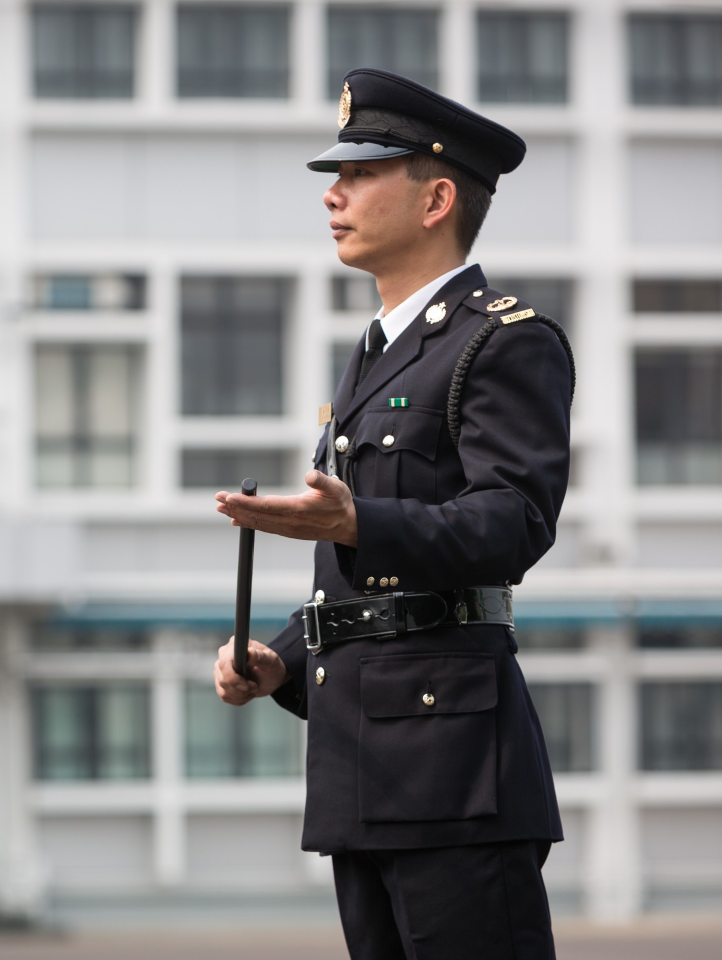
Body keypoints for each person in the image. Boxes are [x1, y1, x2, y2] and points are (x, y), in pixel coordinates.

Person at [212, 69, 572, 960]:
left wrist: (357, 523)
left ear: (436, 197)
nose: (333, 194)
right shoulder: (379, 351)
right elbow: (365, 577)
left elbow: (513, 523)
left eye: (362, 173)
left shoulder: (503, 339)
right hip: (364, 760)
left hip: (454, 769)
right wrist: (279, 658)